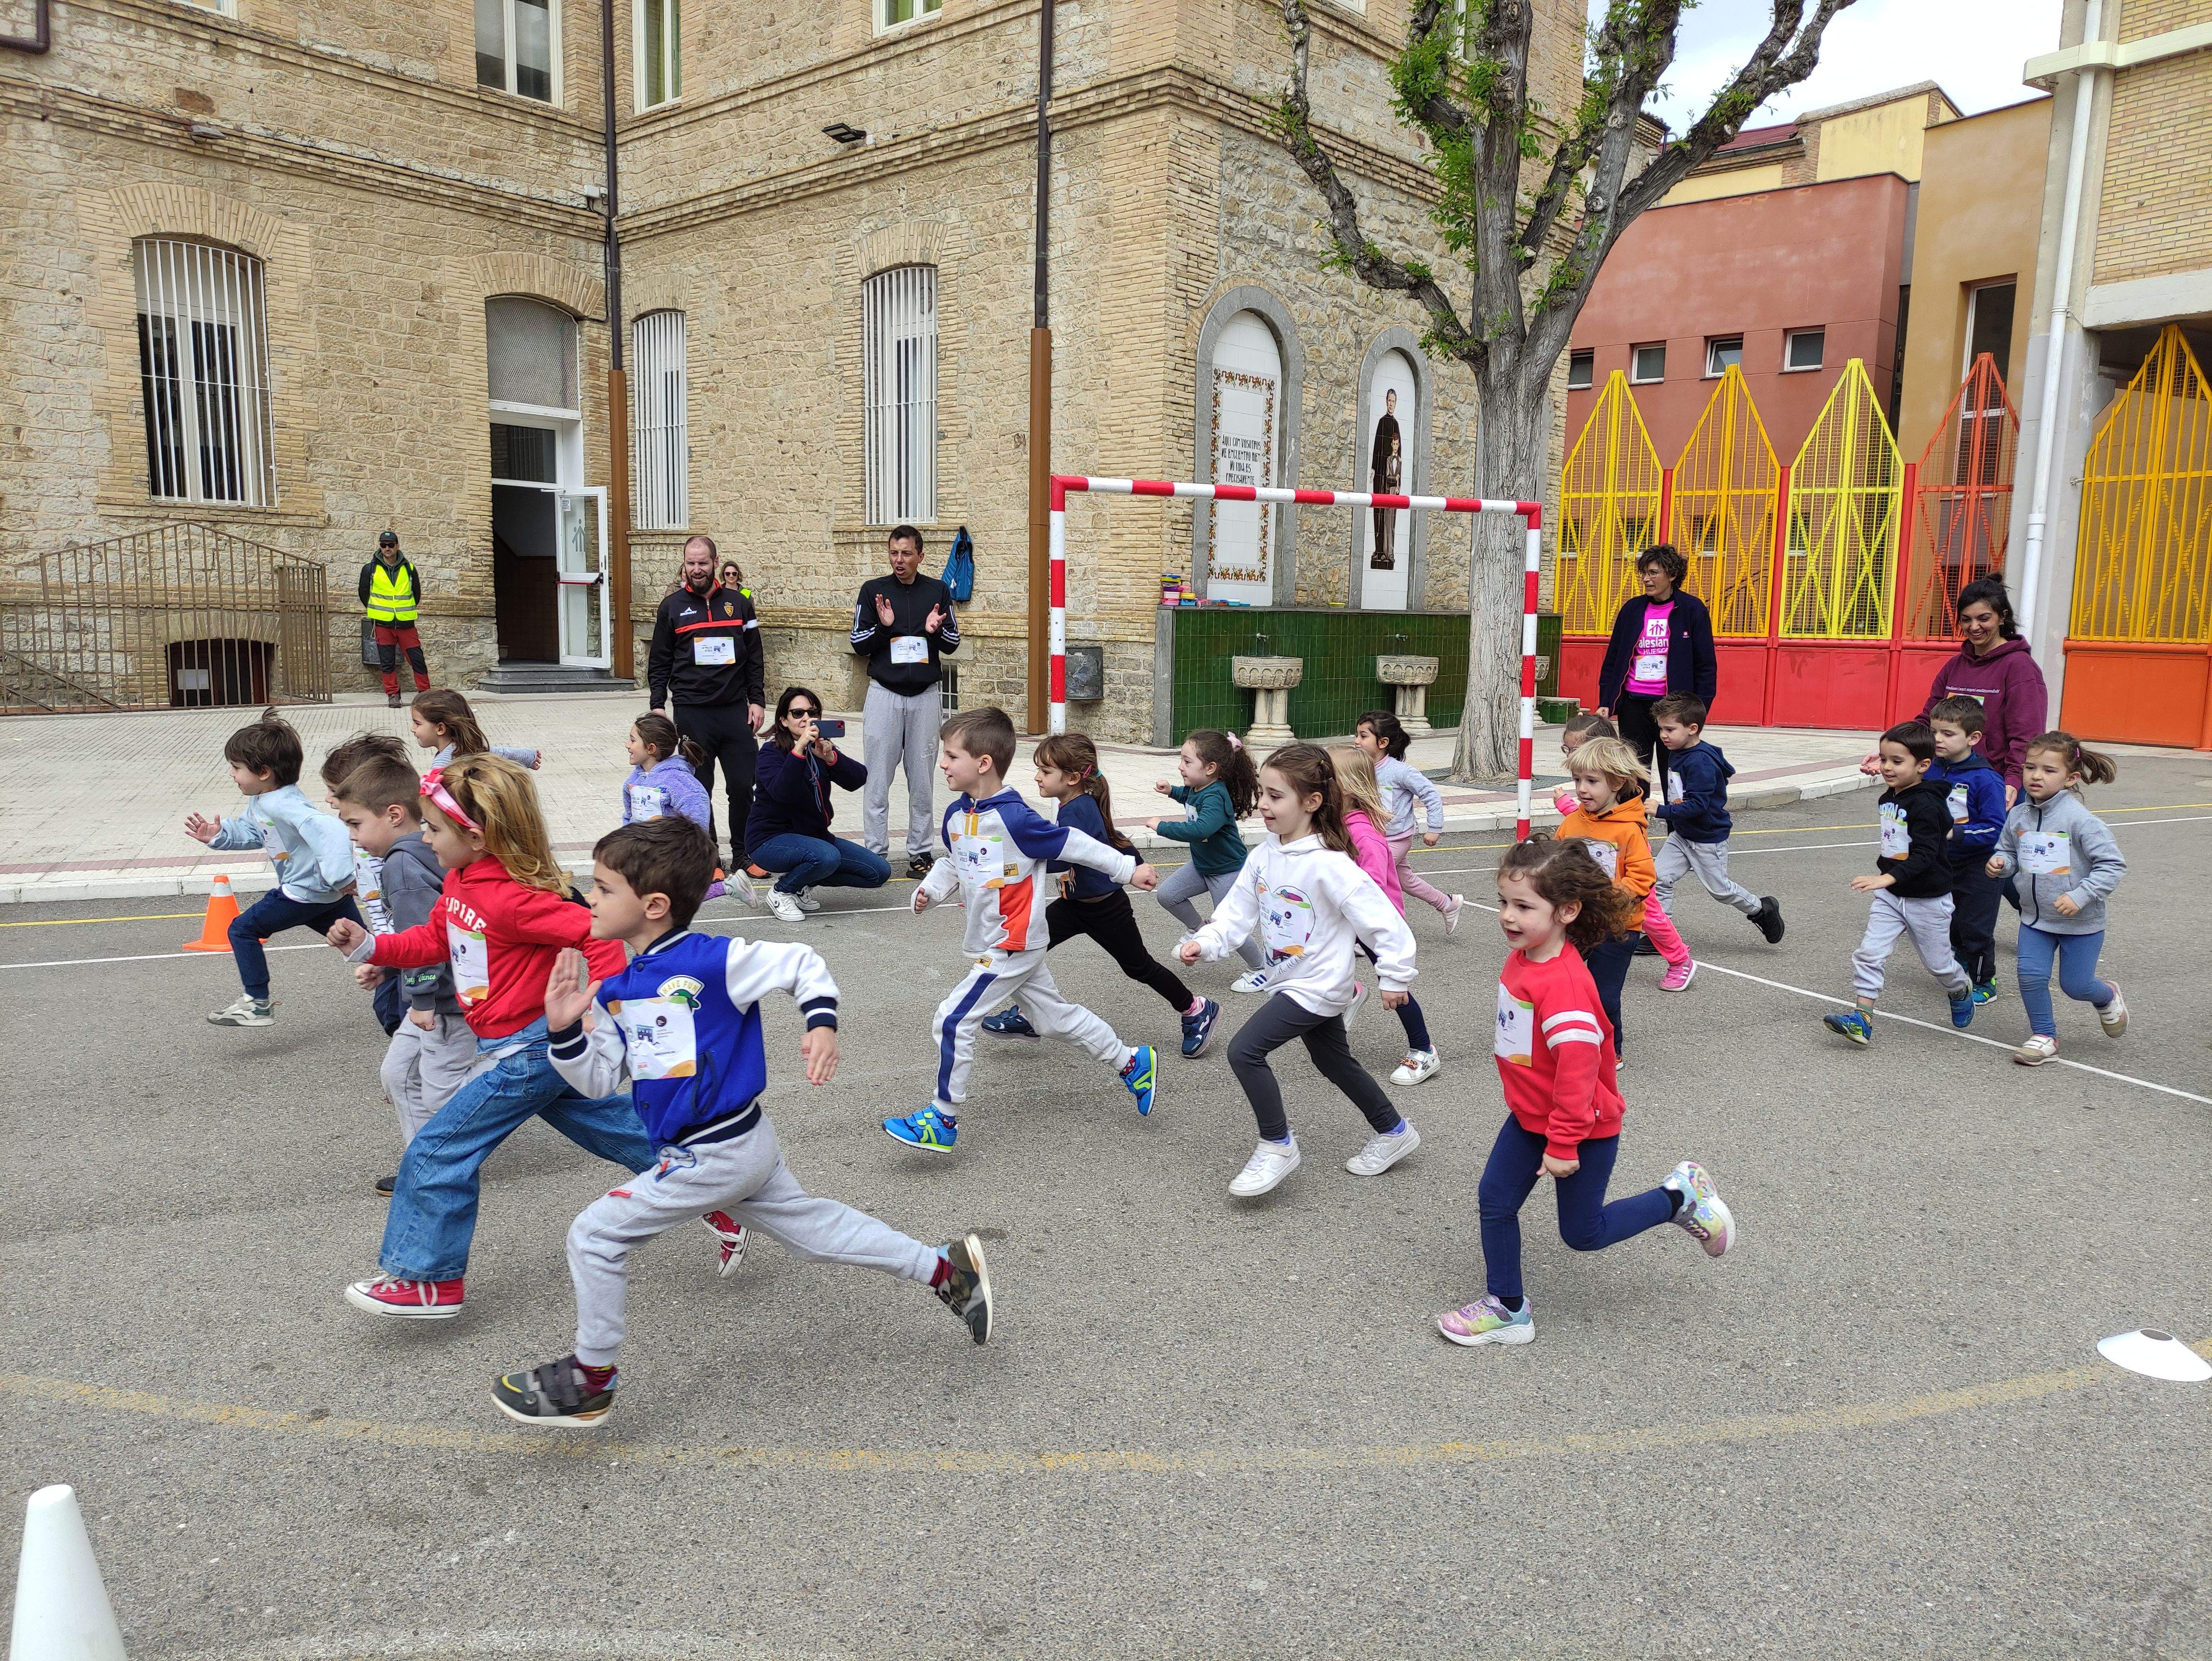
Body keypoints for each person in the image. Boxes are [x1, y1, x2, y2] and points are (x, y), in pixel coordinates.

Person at [489, 817, 993, 1427]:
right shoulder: (616, 988)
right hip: (735, 1147)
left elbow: (803, 962)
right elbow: (598, 1080)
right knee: (816, 1233)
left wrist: (821, 1023)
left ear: (652, 905)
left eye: (600, 888)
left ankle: (591, 1378)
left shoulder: (714, 961)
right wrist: (566, 1028)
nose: (587, 898)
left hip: (717, 1151)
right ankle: (946, 1270)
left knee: (594, 1234)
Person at [324, 755, 743, 1318]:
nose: (423, 835)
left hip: (530, 1048)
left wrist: (593, 1005)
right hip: (509, 1043)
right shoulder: (461, 881)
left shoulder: (508, 896)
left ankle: (428, 1281)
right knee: (611, 1129)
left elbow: (594, 933)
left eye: (434, 827)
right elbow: (431, 940)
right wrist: (369, 948)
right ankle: (715, 1186)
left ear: (475, 836)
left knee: (438, 1147)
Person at [1435, 836, 1734, 1349]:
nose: (1507, 915)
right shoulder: (1528, 956)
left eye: (1524, 906)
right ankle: (1507, 1308)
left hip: (1580, 1125)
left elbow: (1576, 1075)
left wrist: (1563, 1144)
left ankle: (1679, 1198)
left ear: (1567, 911)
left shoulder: (1565, 987)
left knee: (1584, 1232)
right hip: (1530, 1116)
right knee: (1495, 1201)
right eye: (1505, 902)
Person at [882, 708, 1161, 1155]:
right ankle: (1132, 1062)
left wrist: (1129, 870)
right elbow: (954, 862)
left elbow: (1077, 846)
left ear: (984, 763)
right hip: (994, 941)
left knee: (953, 1018)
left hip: (1015, 941)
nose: (943, 764)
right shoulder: (957, 814)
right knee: (1052, 1018)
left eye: (952, 756)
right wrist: (931, 891)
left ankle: (941, 1118)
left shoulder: (1016, 818)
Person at [1178, 742, 1418, 1198]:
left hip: (1321, 985)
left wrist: (1395, 976)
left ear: (1312, 802)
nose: (1264, 806)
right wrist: (1205, 942)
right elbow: (1236, 912)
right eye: (1263, 794)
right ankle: (1395, 1130)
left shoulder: (1332, 865)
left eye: (1276, 796)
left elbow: (1386, 922)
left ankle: (1277, 1145)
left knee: (1244, 1051)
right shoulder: (1266, 855)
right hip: (1290, 979)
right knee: (1333, 1060)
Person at [981, 733, 1225, 1060]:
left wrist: (1019, 863)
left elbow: (1068, 855)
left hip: (1105, 910)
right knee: (1025, 948)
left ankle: (1196, 1009)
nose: (1037, 777)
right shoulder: (1076, 804)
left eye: (1045, 771)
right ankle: (1032, 1015)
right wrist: (1137, 863)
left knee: (1139, 967)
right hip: (1073, 906)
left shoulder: (1077, 810)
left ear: (1071, 778)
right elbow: (1112, 836)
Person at [331, 754, 475, 1196]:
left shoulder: (402, 865)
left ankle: (445, 1165)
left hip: (443, 1000)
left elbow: (427, 945)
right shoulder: (424, 854)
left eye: (355, 825)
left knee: (441, 1092)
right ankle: (424, 1163)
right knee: (399, 1075)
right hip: (437, 991)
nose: (354, 838)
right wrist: (387, 960)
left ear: (394, 814)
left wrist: (424, 1001)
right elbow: (427, 934)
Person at [184, 708, 361, 1028]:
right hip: (322, 895)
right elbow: (256, 833)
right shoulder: (266, 800)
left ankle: (258, 1004)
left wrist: (342, 876)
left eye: (236, 768)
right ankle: (411, 977)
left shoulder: (285, 805)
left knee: (242, 929)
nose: (232, 775)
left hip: (303, 893)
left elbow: (330, 830)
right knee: (360, 945)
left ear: (264, 771)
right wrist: (221, 835)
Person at [1822, 720, 1975, 1047]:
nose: (1887, 768)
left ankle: (1960, 987)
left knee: (1939, 966)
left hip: (1928, 899)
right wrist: (1888, 884)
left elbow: (1925, 855)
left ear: (1923, 766)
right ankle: (1862, 1020)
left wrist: (1885, 878)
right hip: (1892, 896)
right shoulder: (1890, 796)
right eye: (1884, 759)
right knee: (1869, 953)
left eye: (1897, 761)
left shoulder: (1927, 804)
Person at [1987, 732, 2128, 1066]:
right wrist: (2001, 864)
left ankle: (2107, 995)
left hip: (2081, 922)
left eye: (2049, 770)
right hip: (2036, 919)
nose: (2036, 776)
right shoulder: (2018, 815)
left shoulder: (2080, 820)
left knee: (2076, 986)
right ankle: (2045, 1036)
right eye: (2030, 767)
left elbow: (2113, 865)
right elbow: (2008, 851)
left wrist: (2081, 896)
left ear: (2071, 778)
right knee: (2030, 975)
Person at [647, 533, 766, 870]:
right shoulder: (670, 608)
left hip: (734, 710)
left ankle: (743, 855)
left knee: (744, 785)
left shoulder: (739, 603)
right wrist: (659, 705)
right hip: (691, 711)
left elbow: (755, 656)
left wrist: (757, 700)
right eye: (690, 564)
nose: (696, 570)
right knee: (700, 790)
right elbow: (659, 661)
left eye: (702, 563)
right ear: (684, 566)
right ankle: (710, 858)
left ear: (716, 562)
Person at [851, 525, 961, 879]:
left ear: (920, 556)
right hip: (884, 694)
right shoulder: (873, 592)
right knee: (878, 779)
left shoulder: (938, 591)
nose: (899, 560)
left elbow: (953, 641)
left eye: (906, 554)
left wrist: (935, 630)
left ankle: (920, 853)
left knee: (923, 780)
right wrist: (885, 627)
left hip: (925, 698)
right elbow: (858, 642)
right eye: (894, 554)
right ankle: (876, 854)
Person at [1648, 692, 1785, 975]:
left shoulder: (1700, 762)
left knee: (1720, 890)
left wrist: (1661, 811)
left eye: (1670, 729)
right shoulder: (1679, 750)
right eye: (1661, 729)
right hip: (1683, 835)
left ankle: (1762, 909)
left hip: (1707, 837)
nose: (1663, 735)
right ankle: (1660, 934)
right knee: (1657, 878)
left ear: (1692, 728)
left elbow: (1698, 805)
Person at [1331, 743, 1441, 1087]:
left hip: (1379, 923)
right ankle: (1349, 992)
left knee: (1395, 988)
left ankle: (1424, 1050)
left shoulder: (1364, 836)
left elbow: (1373, 892)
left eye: (1325, 777)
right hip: (1349, 919)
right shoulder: (1335, 822)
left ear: (1346, 787)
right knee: (1325, 962)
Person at [1894, 577, 2048, 807]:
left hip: (1995, 783)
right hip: (1948, 777)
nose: (1974, 627)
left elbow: (2027, 735)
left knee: (1987, 842)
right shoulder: (1955, 666)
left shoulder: (2019, 667)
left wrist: (2014, 779)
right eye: (1966, 620)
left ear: (2002, 617)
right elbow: (1928, 719)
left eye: (1984, 618)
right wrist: (1895, 751)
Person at [746, 685, 891, 922]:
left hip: (815, 838)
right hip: (770, 840)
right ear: (783, 720)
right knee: (827, 857)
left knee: (878, 872)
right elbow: (781, 792)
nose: (806, 719)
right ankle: (782, 892)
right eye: (798, 714)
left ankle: (802, 883)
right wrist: (799, 750)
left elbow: (859, 779)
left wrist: (832, 758)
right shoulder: (771, 753)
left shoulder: (820, 749)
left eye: (813, 713)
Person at [1554, 736, 1656, 1057]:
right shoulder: (1572, 822)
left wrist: (1606, 899)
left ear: (1617, 783)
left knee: (1605, 996)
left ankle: (1612, 1051)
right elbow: (1554, 863)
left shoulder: (1629, 829)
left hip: (1618, 927)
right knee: (1556, 981)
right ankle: (1562, 1038)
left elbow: (1642, 878)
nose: (1582, 789)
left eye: (1592, 781)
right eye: (1577, 780)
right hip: (1577, 922)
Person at [1595, 544, 1717, 803]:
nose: (1646, 579)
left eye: (1653, 573)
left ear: (1672, 575)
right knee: (1634, 776)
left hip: (1673, 709)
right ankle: (1634, 835)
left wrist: (1698, 710)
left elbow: (1706, 666)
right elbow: (1613, 659)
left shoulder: (1692, 610)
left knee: (1675, 775)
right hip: (1633, 705)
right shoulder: (1632, 610)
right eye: (1644, 573)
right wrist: (1606, 701)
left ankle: (1680, 836)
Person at [1150, 729, 1267, 985]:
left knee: (1230, 926)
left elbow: (1201, 829)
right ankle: (1199, 930)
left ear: (1211, 768)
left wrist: (1163, 827)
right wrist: (1172, 791)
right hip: (1203, 865)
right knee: (1168, 895)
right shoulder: (1199, 787)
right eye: (1181, 760)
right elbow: (1189, 797)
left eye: (1187, 761)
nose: (1181, 766)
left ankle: (1261, 970)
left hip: (1227, 870)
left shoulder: (1215, 795)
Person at [320, 730, 414, 1039]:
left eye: (336, 791)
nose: (329, 799)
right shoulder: (366, 836)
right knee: (389, 1013)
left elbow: (410, 906)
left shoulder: (399, 853)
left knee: (400, 1018)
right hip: (390, 951)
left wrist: (391, 960)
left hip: (407, 953)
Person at [1923, 695, 2009, 1004]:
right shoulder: (1931, 769)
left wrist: (1955, 833)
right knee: (1949, 924)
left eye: (1948, 734)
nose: (1937, 740)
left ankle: (1986, 980)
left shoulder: (1986, 780)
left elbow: (1995, 829)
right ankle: (1959, 962)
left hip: (1980, 867)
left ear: (1973, 738)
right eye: (1934, 732)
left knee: (1976, 928)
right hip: (1943, 864)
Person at [1352, 709, 1464, 932]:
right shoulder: (1361, 767)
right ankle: (1448, 904)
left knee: (1366, 882)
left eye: (1363, 736)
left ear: (1383, 742)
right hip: (1374, 838)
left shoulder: (1400, 771)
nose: (1357, 741)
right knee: (1404, 881)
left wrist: (1435, 828)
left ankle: (1370, 933)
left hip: (1396, 839)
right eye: (1357, 735)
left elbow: (1430, 793)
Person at [360, 530, 431, 708]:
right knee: (387, 661)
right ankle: (393, 695)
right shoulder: (370, 568)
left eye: (391, 545)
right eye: (383, 545)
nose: (387, 548)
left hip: (406, 623)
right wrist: (377, 611)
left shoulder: (409, 568)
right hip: (383, 624)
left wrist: (405, 610)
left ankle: (426, 693)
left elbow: (417, 593)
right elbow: (364, 593)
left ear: (397, 546)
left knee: (417, 659)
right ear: (380, 547)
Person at [409, 689, 541, 770]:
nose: (413, 729)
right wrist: (529, 756)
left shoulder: (442, 765)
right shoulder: (468, 749)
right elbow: (499, 753)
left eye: (417, 724)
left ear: (441, 728)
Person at [1369, 389, 1402, 569]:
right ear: (1386, 401)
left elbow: (1400, 456)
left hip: (1391, 476)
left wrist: (1398, 482)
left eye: (1393, 401)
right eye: (1389, 400)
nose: (1391, 404)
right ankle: (1378, 549)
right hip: (1380, 473)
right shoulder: (1382, 422)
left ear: (1396, 403)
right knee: (1378, 511)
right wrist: (1374, 468)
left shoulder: (1396, 425)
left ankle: (1388, 551)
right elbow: (1376, 447)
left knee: (1390, 515)